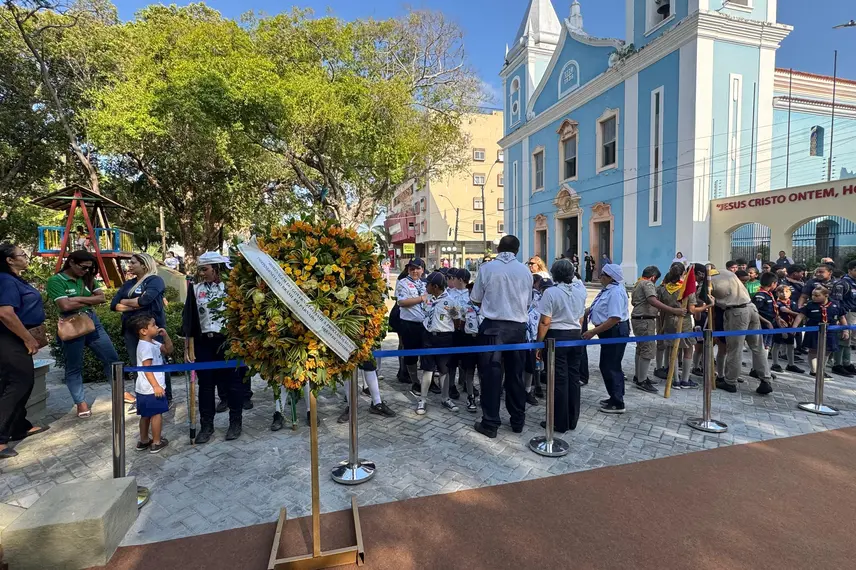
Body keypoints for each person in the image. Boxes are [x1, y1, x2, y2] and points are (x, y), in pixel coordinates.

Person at [46, 250, 123, 417]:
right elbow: (64, 306)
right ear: (71, 262)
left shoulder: (87, 278)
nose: (86, 271)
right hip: (71, 324)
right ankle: (80, 402)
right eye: (83, 267)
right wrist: (86, 300)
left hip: (92, 321)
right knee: (74, 366)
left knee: (112, 359)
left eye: (89, 268)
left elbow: (101, 298)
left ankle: (120, 392)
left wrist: (76, 299)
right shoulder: (56, 280)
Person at [471, 235, 532, 438]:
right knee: (516, 375)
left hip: (492, 328)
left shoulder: (487, 268)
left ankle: (490, 422)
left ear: (498, 249)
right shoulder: (525, 271)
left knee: (491, 376)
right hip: (517, 328)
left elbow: (476, 298)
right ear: (517, 250)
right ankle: (517, 420)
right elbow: (528, 302)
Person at [183, 252, 245, 442]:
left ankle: (235, 423)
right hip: (204, 343)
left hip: (227, 341)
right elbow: (189, 319)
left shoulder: (232, 288)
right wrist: (187, 346)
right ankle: (206, 425)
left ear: (217, 269)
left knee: (234, 384)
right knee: (206, 385)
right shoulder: (195, 289)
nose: (202, 273)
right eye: (200, 269)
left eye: (205, 269)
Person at [0, 243, 48, 459]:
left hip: (18, 337)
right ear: (10, 260)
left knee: (22, 382)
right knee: (18, 382)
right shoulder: (6, 280)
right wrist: (28, 338)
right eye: (22, 254)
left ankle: (19, 426)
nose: (26, 256)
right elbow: (6, 314)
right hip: (10, 338)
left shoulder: (15, 279)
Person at [111, 253, 172, 404]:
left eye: (133, 263)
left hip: (151, 330)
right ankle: (144, 396)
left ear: (144, 265)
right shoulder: (128, 284)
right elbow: (114, 304)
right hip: (130, 330)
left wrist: (126, 302)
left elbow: (145, 300)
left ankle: (165, 396)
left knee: (158, 362)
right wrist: (136, 304)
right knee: (137, 364)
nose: (129, 265)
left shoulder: (155, 281)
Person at [535, 259, 587, 432]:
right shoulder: (580, 292)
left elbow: (545, 322)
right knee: (573, 379)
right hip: (575, 335)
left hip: (557, 337)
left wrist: (538, 343)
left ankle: (559, 421)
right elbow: (581, 318)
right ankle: (572, 419)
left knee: (558, 380)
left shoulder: (551, 292)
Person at [709, 267, 772, 394]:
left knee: (734, 348)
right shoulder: (727, 273)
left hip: (736, 312)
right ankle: (766, 379)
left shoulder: (709, 280)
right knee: (757, 347)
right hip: (751, 308)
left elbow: (705, 299)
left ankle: (730, 381)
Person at [631, 265, 685, 394]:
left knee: (640, 349)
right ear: (654, 277)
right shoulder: (648, 284)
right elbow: (652, 300)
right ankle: (642, 380)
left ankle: (639, 376)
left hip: (638, 318)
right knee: (648, 350)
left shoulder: (637, 283)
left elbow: (634, 302)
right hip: (645, 320)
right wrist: (673, 310)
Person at [584, 264, 630, 413]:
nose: (600, 277)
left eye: (603, 274)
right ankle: (614, 396)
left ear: (610, 277)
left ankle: (618, 402)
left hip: (614, 331)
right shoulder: (608, 290)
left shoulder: (615, 292)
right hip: (608, 331)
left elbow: (614, 318)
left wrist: (593, 332)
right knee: (608, 365)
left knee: (611, 366)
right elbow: (596, 307)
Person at [129, 313, 173, 454]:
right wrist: (156, 386)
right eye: (153, 325)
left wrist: (165, 336)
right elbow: (147, 368)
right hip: (151, 388)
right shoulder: (145, 347)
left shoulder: (152, 343)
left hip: (144, 388)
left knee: (146, 414)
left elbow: (168, 350)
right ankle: (156, 441)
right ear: (143, 331)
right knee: (156, 414)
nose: (157, 327)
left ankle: (143, 440)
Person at [658, 263, 707, 391]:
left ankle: (675, 379)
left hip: (669, 320)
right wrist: (707, 306)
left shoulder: (664, 288)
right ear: (682, 274)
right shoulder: (686, 289)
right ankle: (685, 379)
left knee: (673, 350)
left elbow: (661, 306)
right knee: (688, 350)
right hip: (683, 321)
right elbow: (692, 309)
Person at [416, 272, 457, 415]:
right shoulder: (427, 298)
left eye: (428, 284)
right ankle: (423, 399)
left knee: (444, 369)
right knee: (427, 369)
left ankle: (445, 398)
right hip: (428, 336)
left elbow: (456, 319)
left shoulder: (450, 301)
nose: (425, 286)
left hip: (444, 337)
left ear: (435, 286)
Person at [793, 286, 848, 380]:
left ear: (826, 295)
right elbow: (800, 316)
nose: (814, 297)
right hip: (814, 331)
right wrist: (794, 327)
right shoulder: (810, 305)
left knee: (827, 351)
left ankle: (821, 370)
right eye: (813, 295)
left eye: (817, 295)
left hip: (830, 331)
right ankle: (814, 371)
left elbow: (842, 317)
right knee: (813, 350)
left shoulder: (835, 304)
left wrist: (845, 330)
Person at [395, 258, 428, 395]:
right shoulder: (403, 283)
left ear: (422, 270)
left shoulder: (425, 284)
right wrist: (421, 299)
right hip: (409, 324)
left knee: (426, 355)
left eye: (417, 268)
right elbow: (401, 302)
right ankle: (415, 382)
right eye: (411, 269)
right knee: (411, 355)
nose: (414, 271)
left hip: (425, 325)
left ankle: (428, 382)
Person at [830, 261, 856, 376]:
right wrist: (840, 317)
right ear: (850, 270)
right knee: (843, 338)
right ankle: (837, 364)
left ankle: (847, 363)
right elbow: (837, 302)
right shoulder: (843, 283)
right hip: (846, 313)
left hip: (854, 313)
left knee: (849, 341)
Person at [770, 284, 803, 374]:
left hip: (790, 326)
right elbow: (776, 316)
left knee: (791, 345)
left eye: (786, 291)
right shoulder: (777, 303)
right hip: (779, 327)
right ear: (777, 293)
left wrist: (794, 327)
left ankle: (791, 364)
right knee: (777, 344)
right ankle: (775, 363)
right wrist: (782, 330)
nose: (784, 294)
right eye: (781, 292)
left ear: (790, 293)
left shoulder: (792, 303)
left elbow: (799, 315)